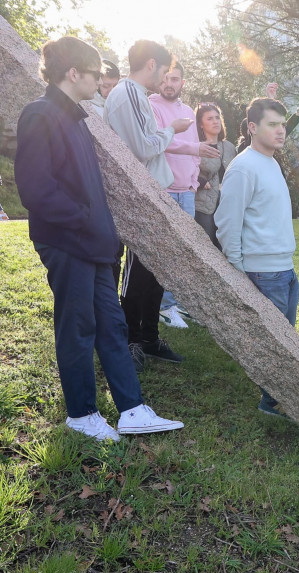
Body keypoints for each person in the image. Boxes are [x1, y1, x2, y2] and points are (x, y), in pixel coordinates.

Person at [15, 36, 183, 441]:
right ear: (73, 73)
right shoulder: (40, 115)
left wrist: (100, 229)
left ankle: (132, 409)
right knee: (77, 327)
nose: (102, 80)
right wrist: (86, 220)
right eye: (95, 74)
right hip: (67, 242)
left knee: (112, 325)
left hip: (93, 244)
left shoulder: (79, 117)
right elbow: (36, 190)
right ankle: (81, 413)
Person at [105, 40, 192, 372]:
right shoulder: (127, 93)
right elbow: (142, 148)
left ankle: (149, 338)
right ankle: (131, 339)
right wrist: (171, 129)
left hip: (152, 194)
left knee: (155, 271)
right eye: (166, 71)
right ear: (152, 64)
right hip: (136, 198)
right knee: (136, 273)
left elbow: (146, 143)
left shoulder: (134, 95)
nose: (166, 78)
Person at [215, 98, 297, 416]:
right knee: (273, 344)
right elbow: (226, 222)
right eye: (272, 124)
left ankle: (276, 397)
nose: (281, 131)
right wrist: (238, 270)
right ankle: (271, 401)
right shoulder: (244, 167)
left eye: (283, 124)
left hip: (284, 268)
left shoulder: (271, 161)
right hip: (263, 272)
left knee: (285, 342)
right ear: (252, 127)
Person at [150, 62, 220, 329]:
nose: (170, 83)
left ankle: (175, 301)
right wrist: (195, 149)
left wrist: (192, 181)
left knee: (184, 251)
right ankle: (164, 307)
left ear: (183, 83)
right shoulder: (151, 105)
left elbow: (194, 152)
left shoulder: (188, 111)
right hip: (163, 189)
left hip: (186, 194)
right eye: (166, 78)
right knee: (165, 250)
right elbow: (162, 141)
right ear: (159, 79)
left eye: (175, 78)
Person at [194, 102, 237, 247]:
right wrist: (198, 180)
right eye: (210, 119)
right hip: (203, 205)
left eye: (217, 118)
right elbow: (184, 169)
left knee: (225, 246)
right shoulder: (195, 146)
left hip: (226, 204)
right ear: (200, 124)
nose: (215, 121)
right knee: (206, 247)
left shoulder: (229, 147)